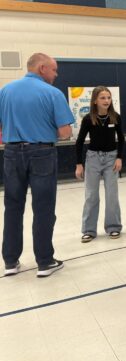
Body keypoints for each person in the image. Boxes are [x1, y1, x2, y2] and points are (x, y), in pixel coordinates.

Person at [0, 53, 74, 277]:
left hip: (11, 152)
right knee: (43, 208)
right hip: (42, 152)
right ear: (42, 68)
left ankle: (11, 262)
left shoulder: (5, 91)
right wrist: (42, 130)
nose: (56, 75)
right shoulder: (52, 93)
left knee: (12, 207)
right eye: (54, 70)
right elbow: (65, 133)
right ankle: (44, 261)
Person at [75, 86, 124, 242]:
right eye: (102, 98)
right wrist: (79, 164)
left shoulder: (115, 117)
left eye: (108, 98)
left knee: (112, 195)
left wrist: (119, 158)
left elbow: (121, 138)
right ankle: (89, 229)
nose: (106, 101)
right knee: (91, 195)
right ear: (95, 101)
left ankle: (113, 226)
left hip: (111, 158)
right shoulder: (88, 119)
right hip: (93, 159)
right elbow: (80, 141)